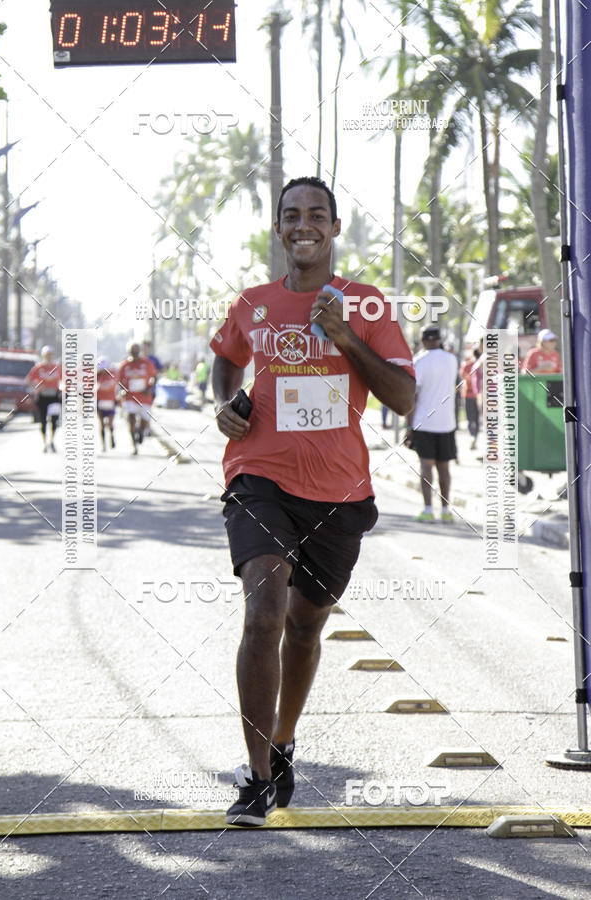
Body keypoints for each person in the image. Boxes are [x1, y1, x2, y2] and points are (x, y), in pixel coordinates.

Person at [211, 175, 415, 827]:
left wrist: (346, 336)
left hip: (338, 493)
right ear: (279, 228)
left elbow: (406, 399)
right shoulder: (253, 302)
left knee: (303, 628)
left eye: (317, 215)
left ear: (333, 229)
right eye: (292, 214)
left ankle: (283, 738)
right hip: (257, 476)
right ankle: (255, 778)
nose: (305, 224)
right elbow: (226, 356)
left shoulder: (368, 305)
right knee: (264, 614)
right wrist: (227, 402)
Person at [405, 324, 458, 522]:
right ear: (439, 339)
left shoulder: (419, 361)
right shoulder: (452, 359)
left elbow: (413, 397)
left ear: (424, 340)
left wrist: (409, 426)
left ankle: (428, 510)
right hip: (447, 422)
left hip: (423, 422)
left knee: (426, 466)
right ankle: (446, 510)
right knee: (445, 468)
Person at [118, 342, 157, 454]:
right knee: (131, 418)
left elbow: (154, 377)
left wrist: (149, 387)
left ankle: (140, 431)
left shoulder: (147, 363)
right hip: (130, 397)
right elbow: (119, 381)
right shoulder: (124, 365)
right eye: (132, 352)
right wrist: (122, 390)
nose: (134, 354)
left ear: (139, 352)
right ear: (129, 352)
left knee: (145, 420)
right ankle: (134, 445)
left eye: (136, 351)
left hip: (144, 397)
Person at [26, 345, 62, 453]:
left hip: (54, 397)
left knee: (54, 420)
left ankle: (52, 441)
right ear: (43, 356)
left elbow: (65, 380)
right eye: (47, 355)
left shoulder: (57, 367)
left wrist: (62, 388)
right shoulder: (38, 368)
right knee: (43, 421)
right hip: (42, 397)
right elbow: (28, 380)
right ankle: (45, 443)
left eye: (51, 355)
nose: (49, 357)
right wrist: (37, 386)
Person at [460, 348, 481, 450]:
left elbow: (463, 377)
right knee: (474, 418)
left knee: (471, 418)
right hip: (473, 395)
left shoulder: (468, 365)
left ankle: (473, 436)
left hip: (471, 395)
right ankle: (474, 436)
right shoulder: (475, 364)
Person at [97, 358, 117, 451]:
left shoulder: (113, 375)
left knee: (110, 423)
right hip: (99, 402)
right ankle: (103, 445)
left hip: (110, 401)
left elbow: (118, 385)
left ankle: (112, 436)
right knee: (101, 424)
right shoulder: (96, 376)